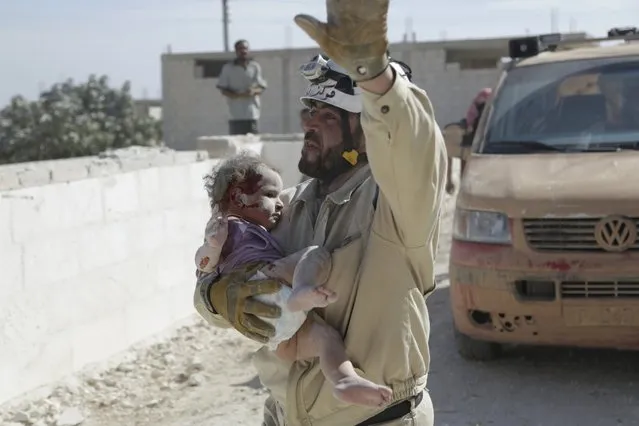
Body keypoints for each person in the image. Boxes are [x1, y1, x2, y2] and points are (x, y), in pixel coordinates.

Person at [194, 1, 447, 425]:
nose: (310, 123)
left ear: (367, 135)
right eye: (309, 111)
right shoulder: (285, 207)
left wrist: (374, 77)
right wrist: (217, 297)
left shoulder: (397, 205)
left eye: (328, 116)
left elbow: (413, 145)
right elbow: (214, 282)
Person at [193, 153, 393, 407]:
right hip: (264, 280)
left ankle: (344, 380)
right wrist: (213, 269)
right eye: (270, 195)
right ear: (238, 197)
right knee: (314, 254)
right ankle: (302, 288)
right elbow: (203, 267)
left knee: (327, 339)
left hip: (283, 334)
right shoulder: (226, 226)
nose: (279, 204)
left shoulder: (374, 188)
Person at [217, 39, 267, 135]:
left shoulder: (255, 67)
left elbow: (261, 87)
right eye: (240, 49)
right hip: (235, 115)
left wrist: (253, 91)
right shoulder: (228, 68)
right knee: (237, 145)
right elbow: (223, 89)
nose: (243, 51)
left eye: (245, 48)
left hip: (252, 114)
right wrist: (237, 95)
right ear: (236, 51)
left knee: (254, 141)